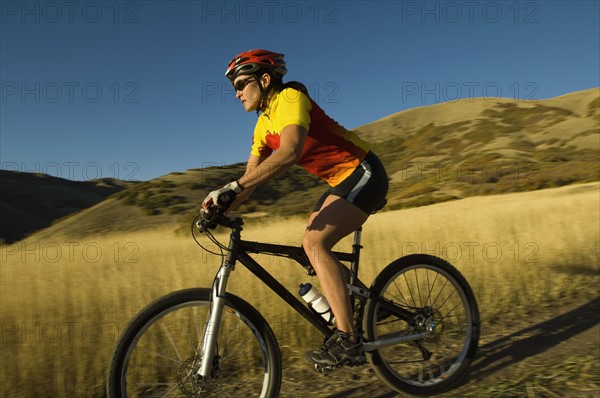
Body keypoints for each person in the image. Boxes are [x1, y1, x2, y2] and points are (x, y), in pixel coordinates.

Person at [202, 49, 388, 368]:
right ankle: (369, 304)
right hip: (339, 183)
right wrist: (220, 205)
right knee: (309, 246)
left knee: (316, 244)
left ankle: (350, 341)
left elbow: (288, 152)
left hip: (363, 171)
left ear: (264, 79)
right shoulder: (262, 126)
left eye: (242, 83)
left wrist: (233, 188)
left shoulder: (289, 98)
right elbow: (251, 179)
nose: (236, 93)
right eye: (234, 86)